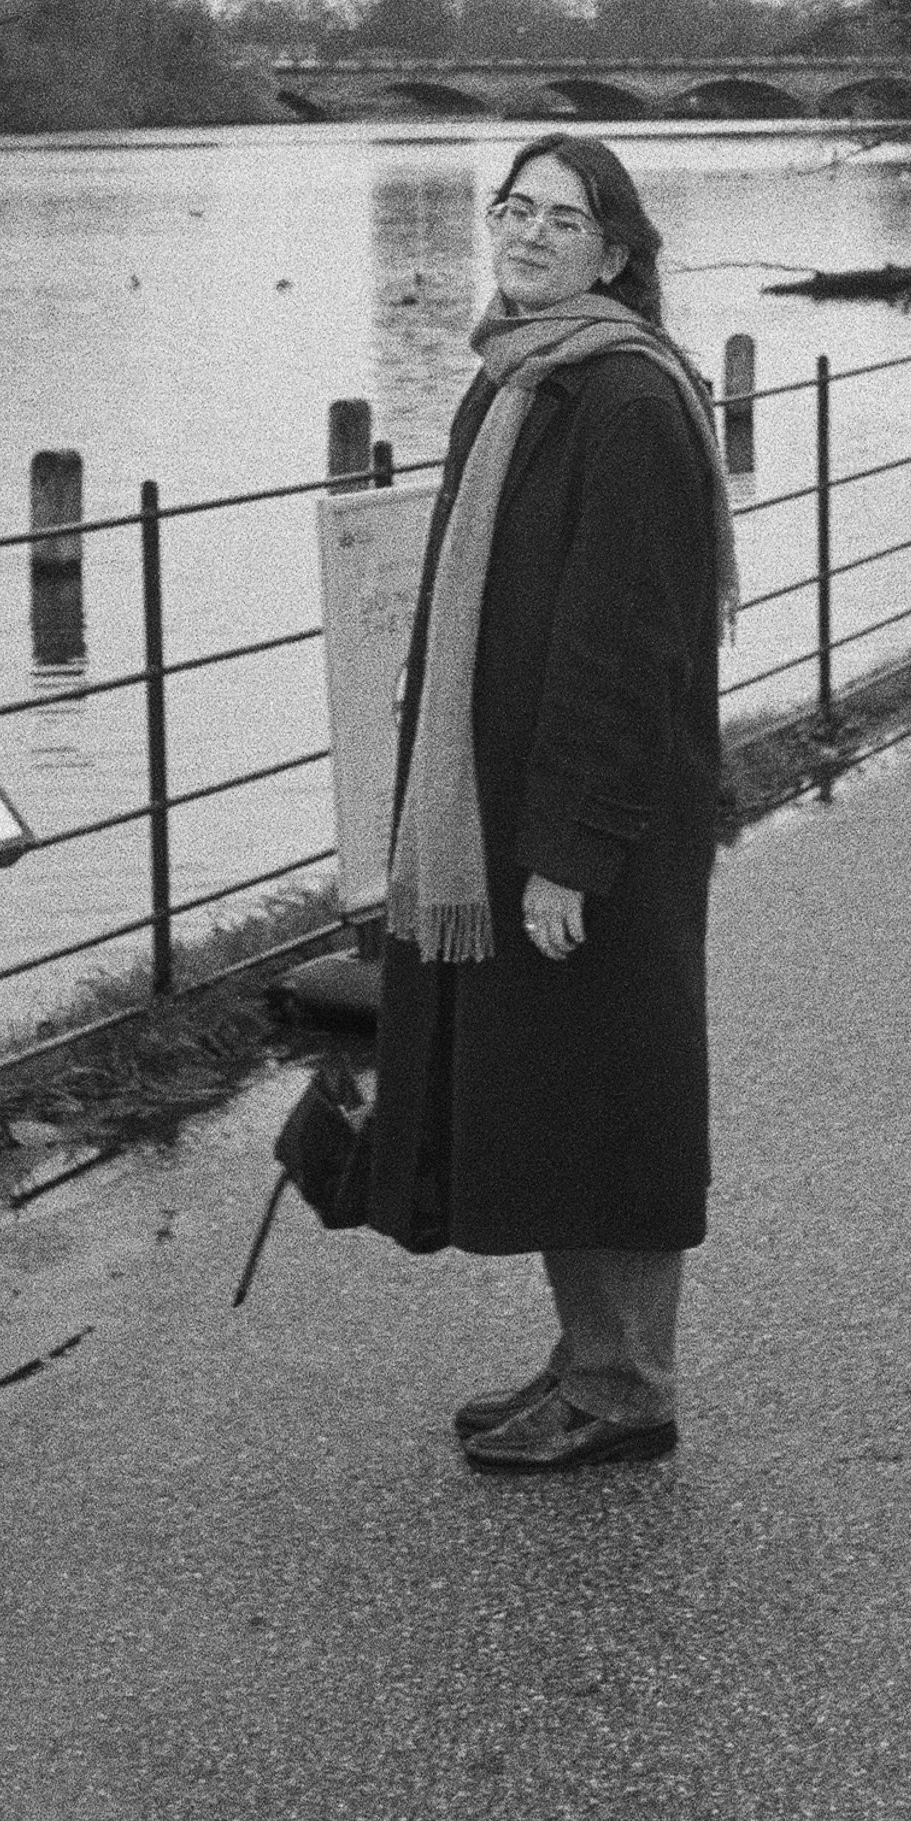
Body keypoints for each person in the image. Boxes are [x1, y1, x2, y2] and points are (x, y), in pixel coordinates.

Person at [367, 134, 738, 1472]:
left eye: (561, 217)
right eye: (511, 207)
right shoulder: (522, 374)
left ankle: (628, 1386)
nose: (526, 233)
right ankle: (588, 1357)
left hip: (600, 815)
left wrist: (568, 852)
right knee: (560, 1085)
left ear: (616, 250)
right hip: (529, 796)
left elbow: (622, 638)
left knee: (612, 1091)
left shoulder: (622, 398)